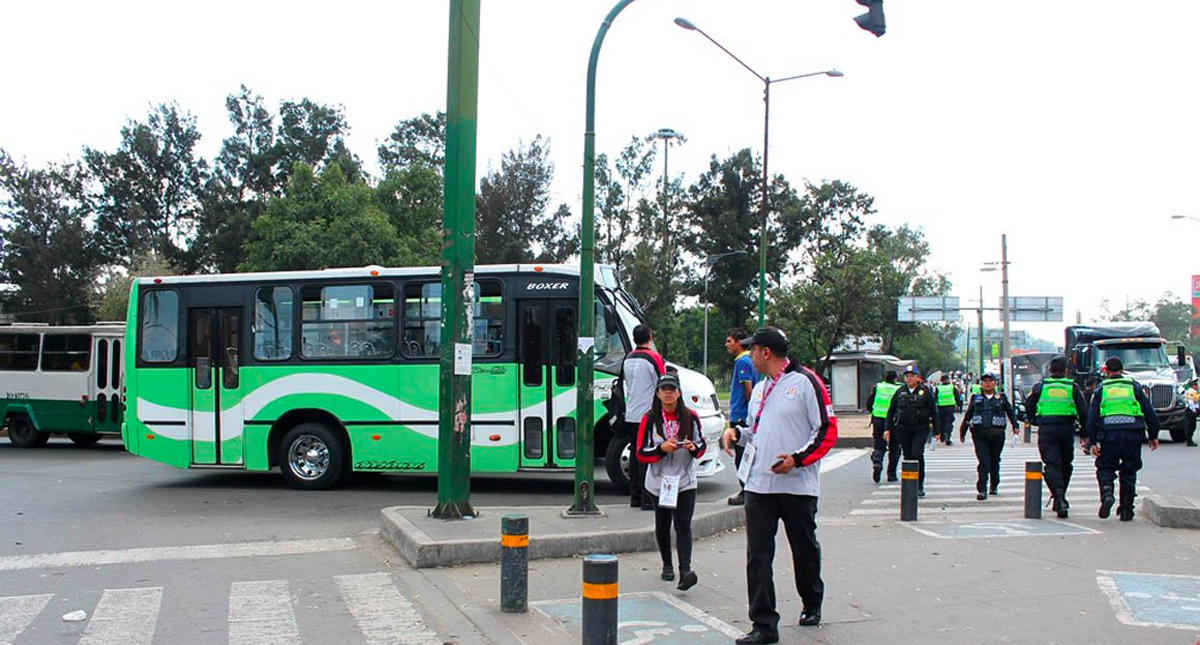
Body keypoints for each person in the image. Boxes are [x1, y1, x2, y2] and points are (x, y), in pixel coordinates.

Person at [721, 327, 837, 645]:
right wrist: (736, 434)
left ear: (766, 352)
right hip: (760, 485)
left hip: (797, 485)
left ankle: (812, 601)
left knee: (803, 547)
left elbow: (827, 431)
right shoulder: (761, 388)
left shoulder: (806, 382)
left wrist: (797, 460)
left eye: (752, 349)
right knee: (758, 554)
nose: (749, 355)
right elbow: (756, 431)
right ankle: (763, 624)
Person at [636, 372, 707, 591]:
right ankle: (667, 564)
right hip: (660, 482)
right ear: (657, 393)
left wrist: (694, 449)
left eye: (672, 389)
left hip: (685, 480)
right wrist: (661, 449)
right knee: (663, 524)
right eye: (664, 389)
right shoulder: (649, 419)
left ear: (679, 393)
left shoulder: (690, 416)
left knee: (683, 524)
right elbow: (640, 452)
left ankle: (685, 571)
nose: (668, 393)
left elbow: (701, 444)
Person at [1086, 356, 1160, 521]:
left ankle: (1106, 492)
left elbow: (1091, 418)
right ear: (1122, 370)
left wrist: (1092, 441)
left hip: (1108, 436)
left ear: (1106, 370)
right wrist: (1153, 435)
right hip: (1133, 435)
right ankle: (1126, 509)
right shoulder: (1134, 387)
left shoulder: (1100, 389)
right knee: (1129, 470)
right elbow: (1149, 412)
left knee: (1106, 468)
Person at [1023, 356, 1087, 517]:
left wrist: (1033, 420)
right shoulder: (1072, 386)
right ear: (1066, 370)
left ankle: (1058, 497)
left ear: (1050, 369)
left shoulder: (1040, 386)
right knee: (1066, 464)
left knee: (1052, 464)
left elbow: (1029, 405)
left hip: (1047, 429)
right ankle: (1061, 496)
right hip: (1066, 429)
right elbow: (1083, 410)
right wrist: (1085, 433)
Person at [622, 324, 666, 510]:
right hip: (648, 415)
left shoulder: (628, 358)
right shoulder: (653, 358)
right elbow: (663, 383)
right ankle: (648, 497)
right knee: (648, 455)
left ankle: (635, 497)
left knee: (635, 454)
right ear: (650, 337)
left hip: (631, 413)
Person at [958, 373, 1018, 500]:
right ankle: (982, 489)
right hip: (980, 435)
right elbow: (968, 415)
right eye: (985, 381)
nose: (988, 383)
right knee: (983, 462)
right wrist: (962, 431)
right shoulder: (976, 398)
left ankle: (994, 484)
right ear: (982, 383)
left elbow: (1010, 412)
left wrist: (1015, 425)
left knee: (995, 461)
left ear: (995, 383)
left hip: (997, 435)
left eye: (990, 381)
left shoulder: (1001, 397)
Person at [884, 365, 938, 496]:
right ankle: (909, 484)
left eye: (912, 376)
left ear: (917, 377)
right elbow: (891, 412)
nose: (909, 379)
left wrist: (937, 431)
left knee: (917, 454)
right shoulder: (900, 392)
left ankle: (919, 484)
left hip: (920, 428)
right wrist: (887, 429)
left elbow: (934, 412)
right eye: (907, 376)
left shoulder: (925, 392)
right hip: (903, 428)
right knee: (907, 456)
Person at [725, 328, 759, 506]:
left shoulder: (742, 362)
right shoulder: (751, 360)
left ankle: (745, 490)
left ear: (740, 342)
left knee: (741, 456)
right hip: (745, 413)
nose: (727, 345)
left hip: (741, 415)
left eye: (730, 341)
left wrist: (750, 409)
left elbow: (748, 389)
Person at [864, 370, 901, 483]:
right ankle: (891, 474)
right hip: (894, 422)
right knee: (894, 448)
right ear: (895, 379)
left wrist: (875, 413)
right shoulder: (898, 390)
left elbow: (869, 404)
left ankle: (877, 462)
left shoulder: (878, 387)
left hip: (878, 420)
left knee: (879, 446)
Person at [935, 373, 962, 446]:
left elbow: (935, 397)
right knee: (948, 422)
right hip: (950, 407)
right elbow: (957, 396)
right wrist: (959, 405)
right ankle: (948, 436)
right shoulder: (952, 387)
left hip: (940, 407)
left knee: (941, 422)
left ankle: (942, 437)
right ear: (948, 379)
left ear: (941, 380)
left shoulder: (938, 388)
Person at [1183, 379, 1199, 447]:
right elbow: (1191, 402)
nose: (1197, 386)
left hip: (1191, 410)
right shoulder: (1191, 392)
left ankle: (1189, 439)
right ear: (1192, 385)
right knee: (1190, 426)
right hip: (1190, 411)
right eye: (1196, 385)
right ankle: (1189, 441)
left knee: (1192, 425)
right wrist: (1194, 410)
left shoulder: (1193, 391)